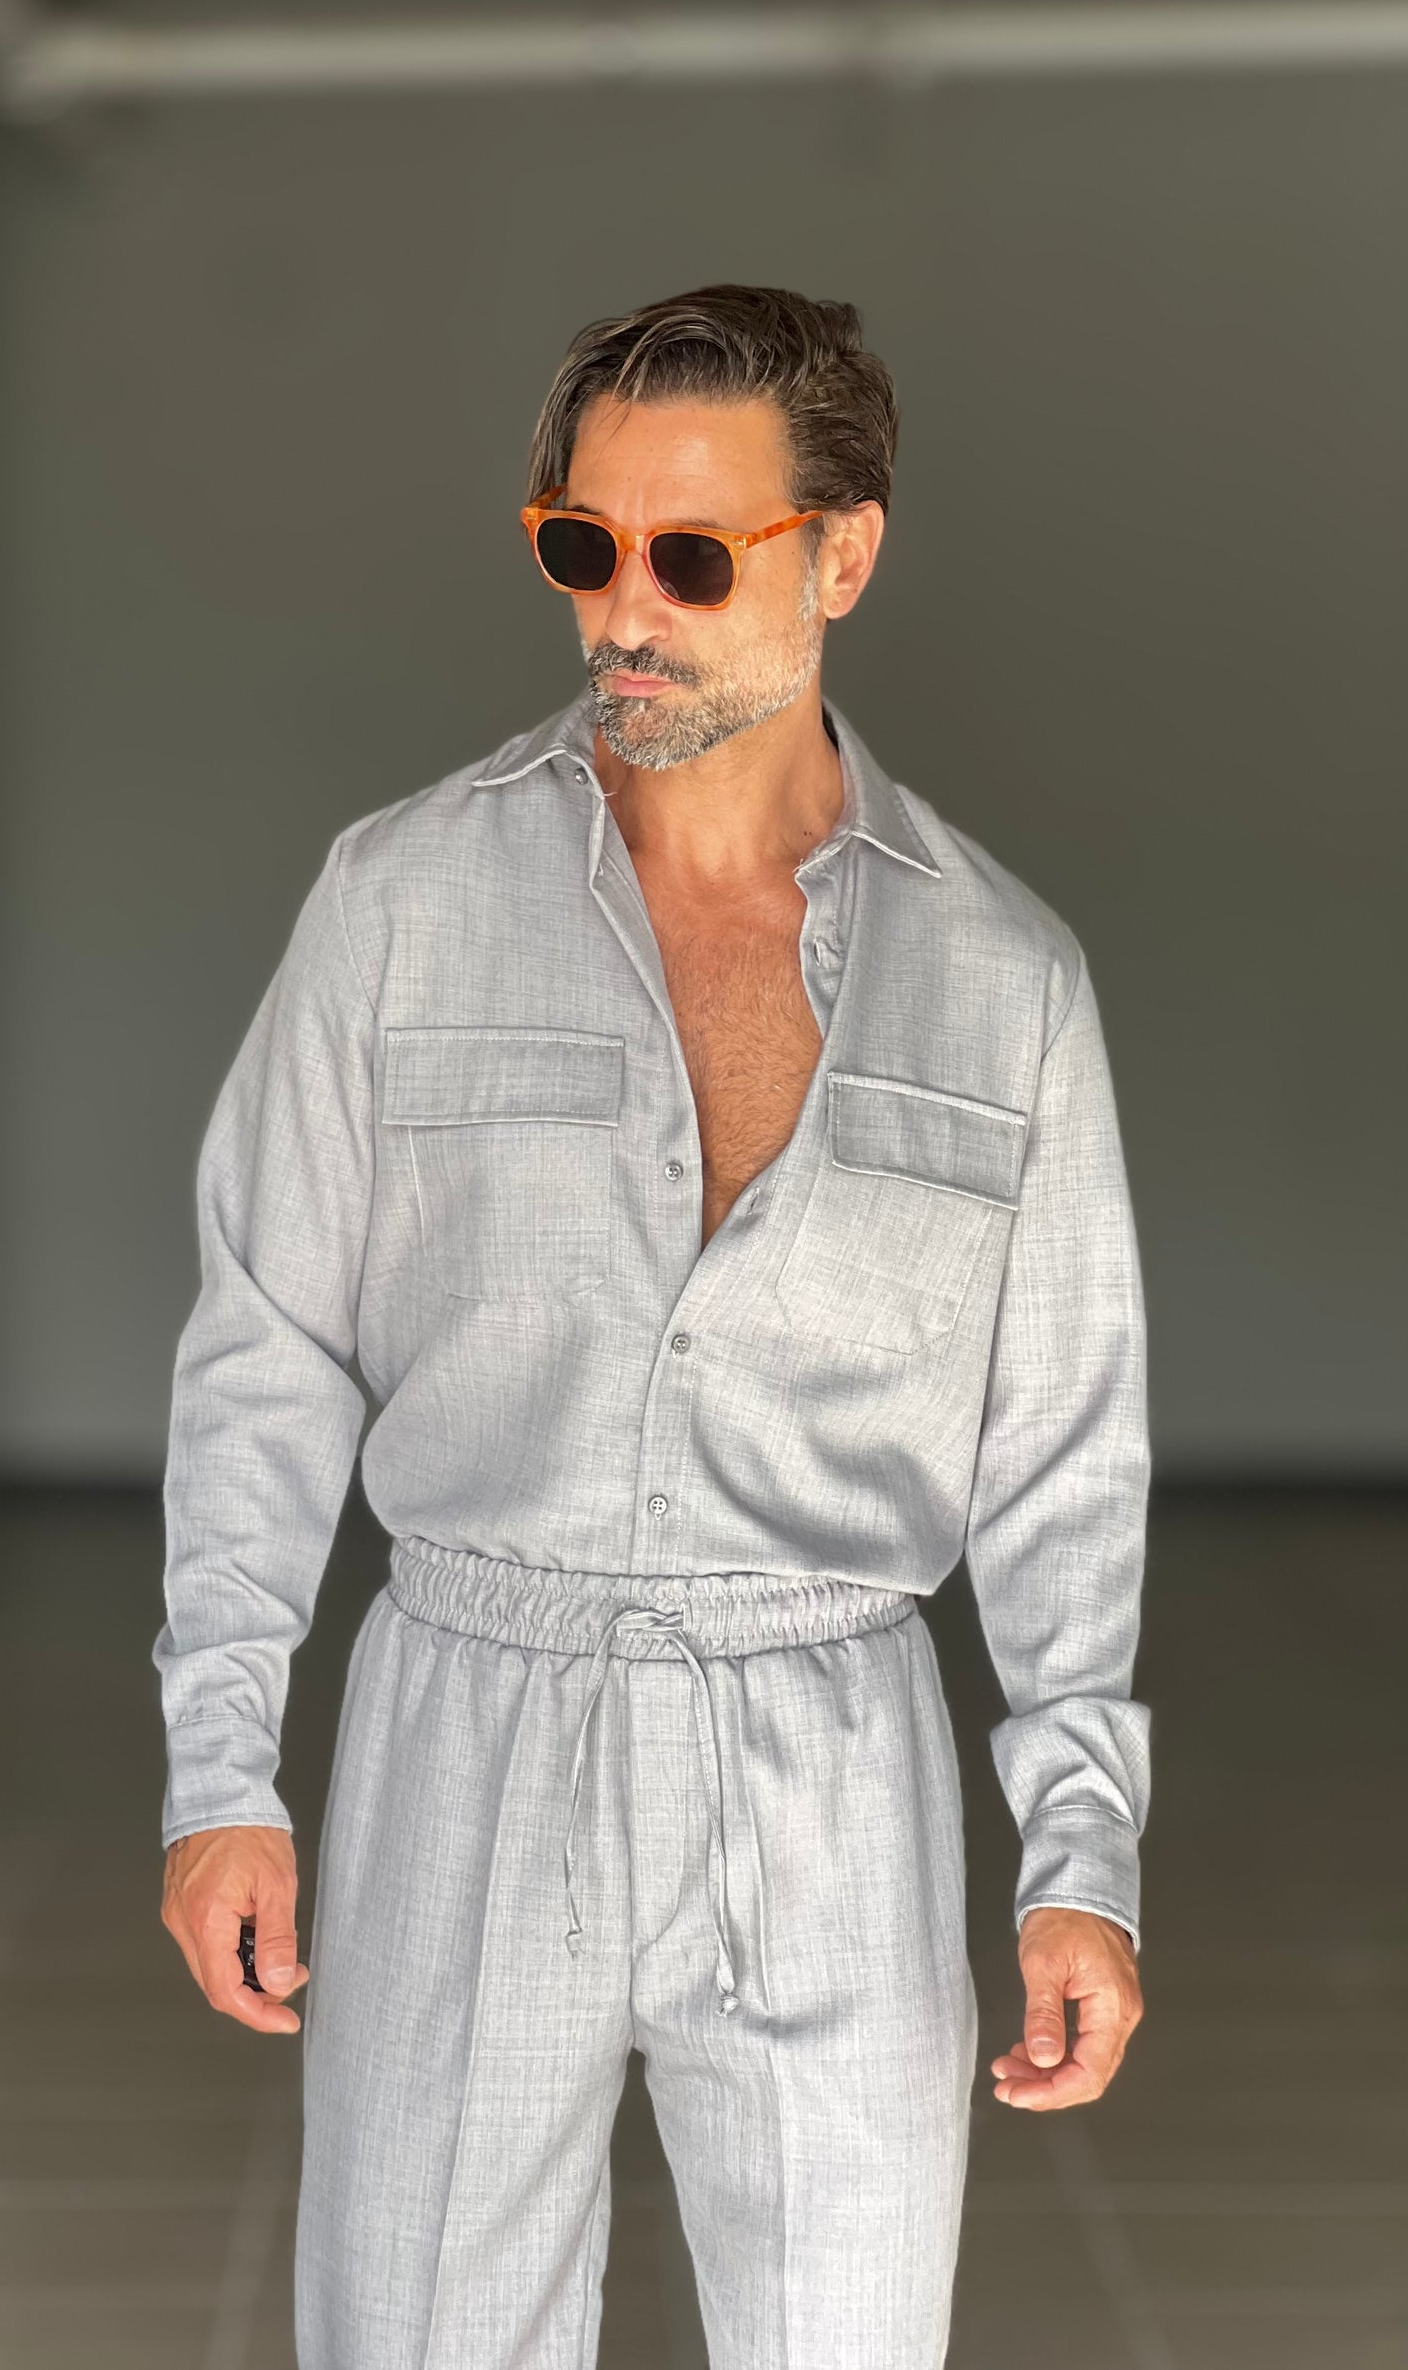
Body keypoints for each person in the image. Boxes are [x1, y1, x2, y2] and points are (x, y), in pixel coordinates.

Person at [155, 284, 1149, 2370]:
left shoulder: (1004, 980)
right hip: (465, 1716)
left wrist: (1082, 1855)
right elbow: (265, 1347)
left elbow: (1064, 1453)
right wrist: (219, 1766)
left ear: (841, 555)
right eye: (577, 544)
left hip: (829, 1753)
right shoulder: (398, 901)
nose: (622, 609)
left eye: (691, 556)